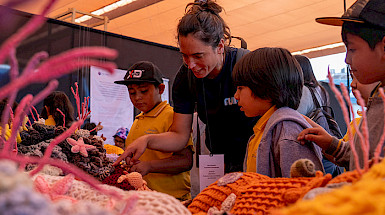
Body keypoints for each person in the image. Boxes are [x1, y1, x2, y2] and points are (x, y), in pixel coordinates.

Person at [115, 0, 256, 173]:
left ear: (219, 46)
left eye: (198, 56)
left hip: (257, 158)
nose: (191, 65)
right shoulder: (185, 79)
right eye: (185, 56)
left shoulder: (247, 66)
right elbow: (179, 136)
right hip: (221, 162)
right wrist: (147, 140)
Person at [297, 0, 385, 170]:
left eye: (352, 49)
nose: (346, 59)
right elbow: (362, 159)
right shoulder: (378, 98)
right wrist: (332, 144)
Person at [233, 47, 324, 177]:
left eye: (240, 88)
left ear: (265, 89)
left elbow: (303, 189)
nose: (236, 96)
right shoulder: (265, 127)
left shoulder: (288, 132)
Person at [114, 61, 193, 201]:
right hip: (144, 198)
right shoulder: (138, 119)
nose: (137, 97)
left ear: (161, 89)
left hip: (171, 200)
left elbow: (185, 161)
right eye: (132, 92)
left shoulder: (172, 116)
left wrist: (150, 166)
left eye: (144, 91)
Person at [294, 54, 344, 177]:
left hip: (316, 153)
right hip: (326, 152)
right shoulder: (320, 89)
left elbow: (295, 117)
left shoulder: (304, 91)